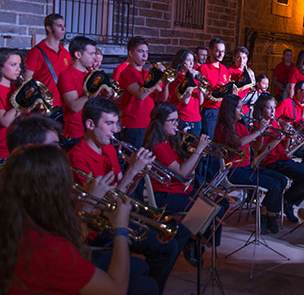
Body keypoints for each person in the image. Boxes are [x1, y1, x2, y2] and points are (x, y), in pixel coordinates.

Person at [68, 97, 185, 292]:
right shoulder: (77, 157)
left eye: (116, 123)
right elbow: (102, 206)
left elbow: (123, 195)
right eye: (109, 123)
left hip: (116, 214)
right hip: (97, 226)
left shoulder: (108, 149)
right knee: (165, 248)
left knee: (177, 233)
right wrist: (131, 171)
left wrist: (138, 175)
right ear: (90, 124)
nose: (115, 130)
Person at [0, 144, 131, 295]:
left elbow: (72, 248)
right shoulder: (49, 248)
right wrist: (121, 228)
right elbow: (116, 290)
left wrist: (86, 213)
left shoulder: (16, 220)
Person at [143, 103, 228, 251]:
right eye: (173, 121)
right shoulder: (159, 146)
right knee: (212, 206)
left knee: (221, 202)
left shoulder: (168, 142)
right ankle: (193, 239)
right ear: (160, 123)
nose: (177, 125)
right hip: (165, 195)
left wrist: (199, 154)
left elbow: (187, 172)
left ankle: (194, 237)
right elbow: (182, 172)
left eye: (177, 120)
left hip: (178, 190)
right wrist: (198, 150)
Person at [214, 94, 287, 234]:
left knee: (282, 180)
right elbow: (240, 142)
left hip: (247, 167)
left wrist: (263, 135)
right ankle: (266, 216)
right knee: (274, 185)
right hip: (234, 171)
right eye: (239, 109)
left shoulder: (240, 126)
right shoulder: (224, 128)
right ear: (230, 110)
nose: (243, 111)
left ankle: (266, 212)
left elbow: (256, 146)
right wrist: (259, 130)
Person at [252, 94, 304, 223]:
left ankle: (287, 201)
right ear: (261, 110)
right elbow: (260, 150)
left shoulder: (276, 123)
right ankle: (283, 204)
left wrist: (288, 137)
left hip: (282, 159)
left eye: (274, 108)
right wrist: (277, 137)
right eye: (269, 108)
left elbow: (285, 149)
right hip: (268, 162)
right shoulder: (258, 125)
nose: (273, 111)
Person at [118, 36, 168, 149]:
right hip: (134, 125)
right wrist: (157, 78)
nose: (145, 56)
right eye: (141, 52)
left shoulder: (147, 73)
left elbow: (162, 98)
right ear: (131, 53)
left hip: (149, 123)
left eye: (146, 52)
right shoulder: (127, 73)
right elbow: (140, 95)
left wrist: (166, 82)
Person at [23, 13, 71, 108]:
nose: (63, 29)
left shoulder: (66, 53)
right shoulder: (36, 52)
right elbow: (26, 81)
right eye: (59, 26)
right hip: (45, 106)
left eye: (64, 26)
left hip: (64, 105)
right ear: (48, 28)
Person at [58, 36, 97, 144]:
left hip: (93, 130)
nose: (94, 58)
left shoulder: (91, 74)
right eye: (91, 54)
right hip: (76, 133)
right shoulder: (67, 75)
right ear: (78, 54)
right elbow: (74, 106)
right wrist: (94, 91)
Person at [198, 38, 230, 139]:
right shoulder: (203, 69)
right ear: (210, 51)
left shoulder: (224, 69)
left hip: (223, 109)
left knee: (221, 140)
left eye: (223, 51)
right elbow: (202, 93)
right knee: (209, 140)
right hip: (210, 110)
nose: (221, 54)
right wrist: (216, 93)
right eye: (218, 51)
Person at [168, 49, 204, 136]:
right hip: (182, 118)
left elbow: (201, 102)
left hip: (196, 119)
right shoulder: (176, 79)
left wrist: (201, 87)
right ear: (181, 61)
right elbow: (185, 101)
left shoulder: (195, 78)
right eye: (188, 60)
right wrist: (190, 80)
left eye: (193, 60)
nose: (192, 63)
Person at [0, 49, 21, 158]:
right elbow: (5, 121)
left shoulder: (16, 89)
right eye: (13, 65)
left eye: (19, 65)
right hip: (2, 152)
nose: (19, 69)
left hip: (17, 148)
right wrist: (24, 100)